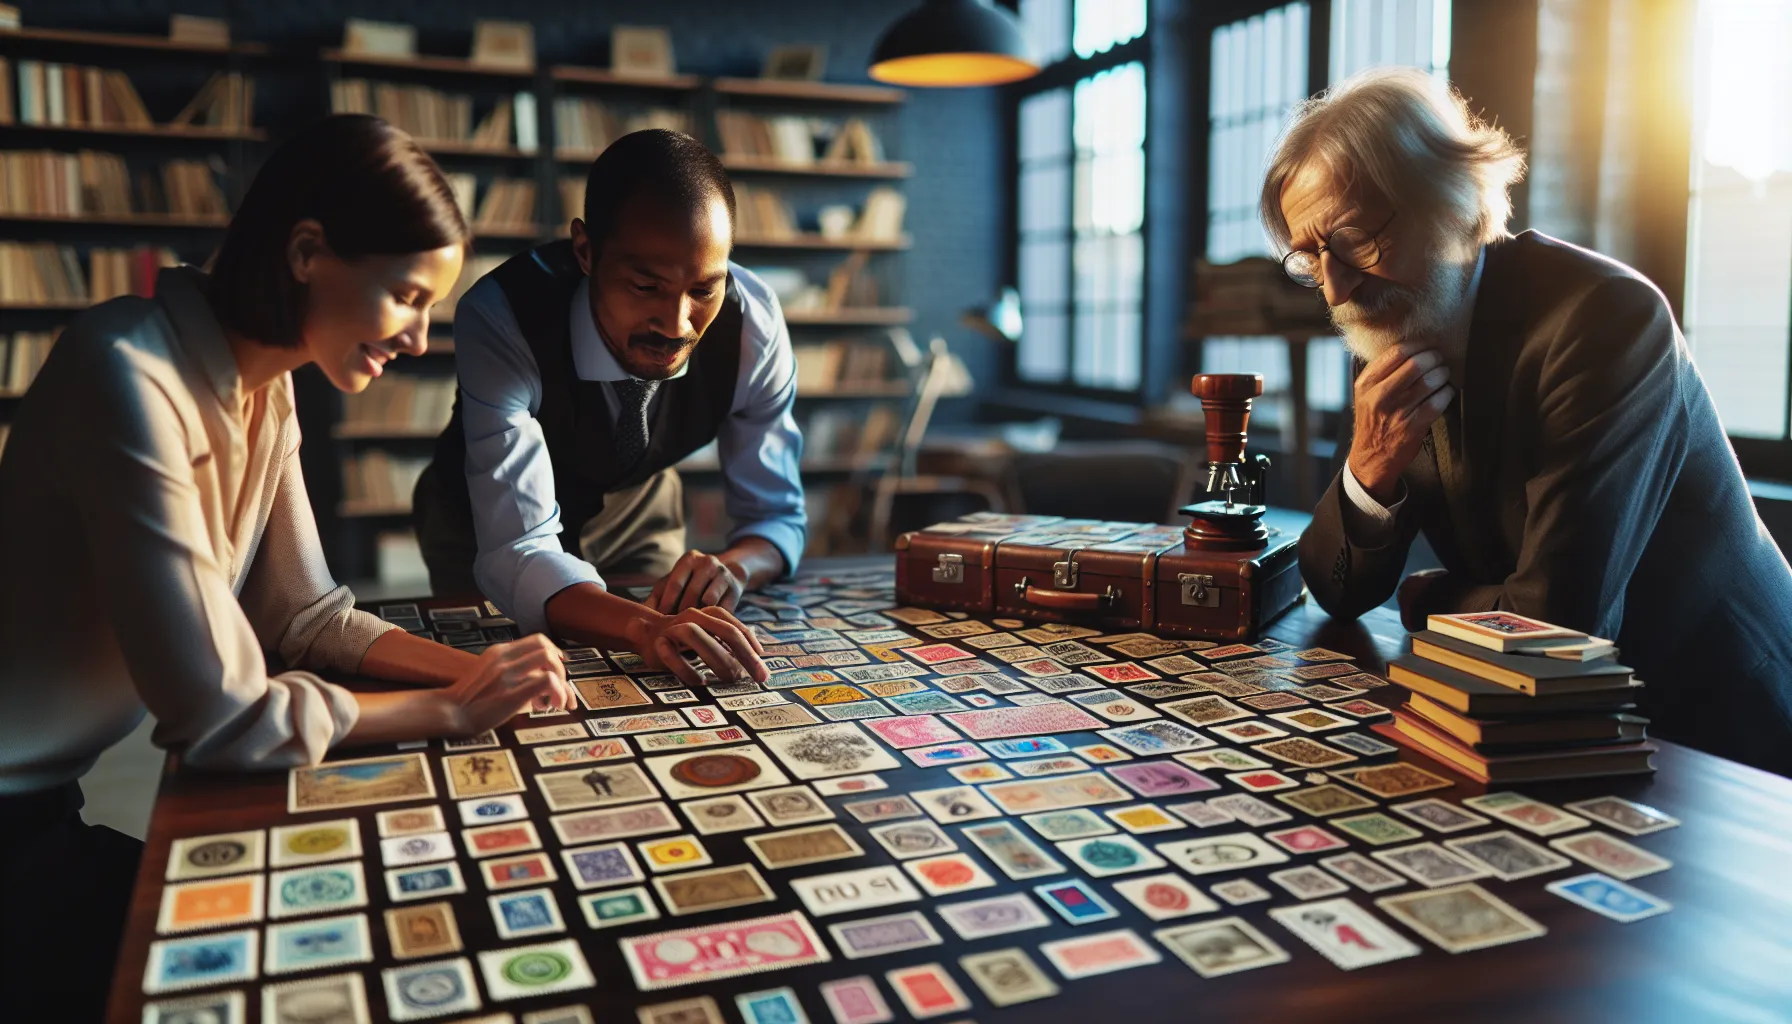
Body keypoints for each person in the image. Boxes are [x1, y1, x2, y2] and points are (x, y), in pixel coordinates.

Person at [0, 115, 759, 1020]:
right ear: (309, 252)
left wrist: (476, 671)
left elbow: (305, 616)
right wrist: (445, 708)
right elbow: (222, 720)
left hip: (47, 808)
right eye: (406, 296)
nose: (419, 339)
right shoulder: (127, 374)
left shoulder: (260, 381)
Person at [1265, 67, 1792, 776]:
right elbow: (1338, 588)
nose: (1336, 287)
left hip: (1718, 721)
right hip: (1543, 722)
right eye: (1311, 256)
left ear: (1450, 201)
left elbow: (1555, 626)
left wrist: (1433, 596)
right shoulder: (1390, 328)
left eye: (1355, 238)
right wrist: (1367, 471)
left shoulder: (1605, 319)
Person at [411, 129, 806, 645]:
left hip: (639, 510)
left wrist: (734, 568)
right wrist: (647, 625)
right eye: (646, 287)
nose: (676, 324)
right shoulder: (503, 315)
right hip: (479, 522)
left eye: (704, 289)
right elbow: (517, 548)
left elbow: (776, 514)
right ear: (586, 251)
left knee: (663, 674)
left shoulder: (753, 323)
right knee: (509, 680)